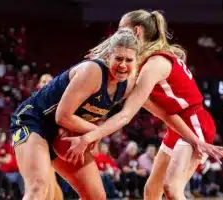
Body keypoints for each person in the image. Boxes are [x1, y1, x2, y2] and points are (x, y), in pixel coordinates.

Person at [63, 9, 223, 200]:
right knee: (151, 191)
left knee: (172, 187)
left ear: (136, 32)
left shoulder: (154, 64)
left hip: (195, 122)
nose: (117, 35)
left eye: (120, 29)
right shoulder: (142, 63)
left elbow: (127, 114)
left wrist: (91, 135)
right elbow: (161, 112)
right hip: (178, 126)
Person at [10, 29, 140, 200]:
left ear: (136, 60)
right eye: (118, 58)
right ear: (108, 56)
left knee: (96, 196)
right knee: (38, 187)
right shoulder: (93, 71)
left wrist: (94, 133)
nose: (123, 65)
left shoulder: (127, 85)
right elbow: (62, 116)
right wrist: (95, 133)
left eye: (128, 60)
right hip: (35, 121)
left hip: (65, 132)